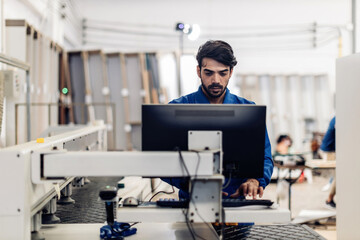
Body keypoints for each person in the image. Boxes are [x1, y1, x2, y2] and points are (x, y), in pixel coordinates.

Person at [162, 40, 273, 200]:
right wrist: (188, 184)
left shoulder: (248, 110)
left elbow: (264, 156)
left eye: (222, 73)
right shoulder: (177, 109)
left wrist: (255, 180)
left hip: (238, 206)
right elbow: (162, 159)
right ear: (198, 71)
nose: (216, 80)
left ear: (231, 72)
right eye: (209, 73)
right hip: (190, 206)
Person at [320, 116, 336, 209]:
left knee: (338, 175)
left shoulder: (336, 118)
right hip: (328, 151)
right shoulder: (338, 119)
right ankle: (329, 200)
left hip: (330, 149)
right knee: (339, 176)